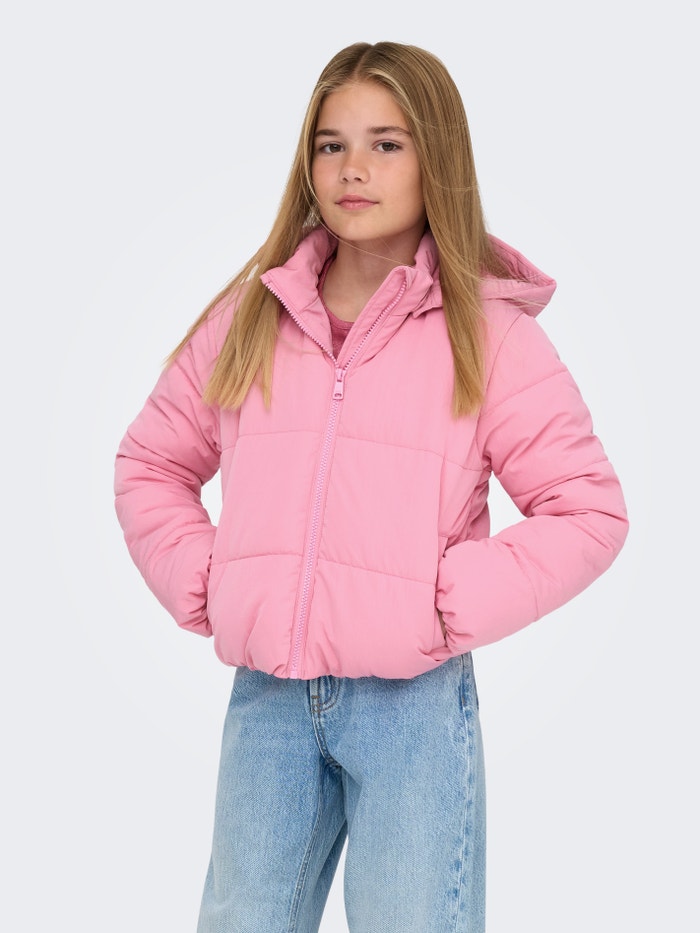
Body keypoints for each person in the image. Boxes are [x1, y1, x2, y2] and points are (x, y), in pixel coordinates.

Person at [114, 41, 628, 933]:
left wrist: (443, 600)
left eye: (387, 144)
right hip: (269, 703)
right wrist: (211, 581)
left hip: (411, 706)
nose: (353, 167)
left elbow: (588, 508)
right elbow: (150, 464)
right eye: (332, 144)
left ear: (437, 157)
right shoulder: (250, 318)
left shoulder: (488, 334)